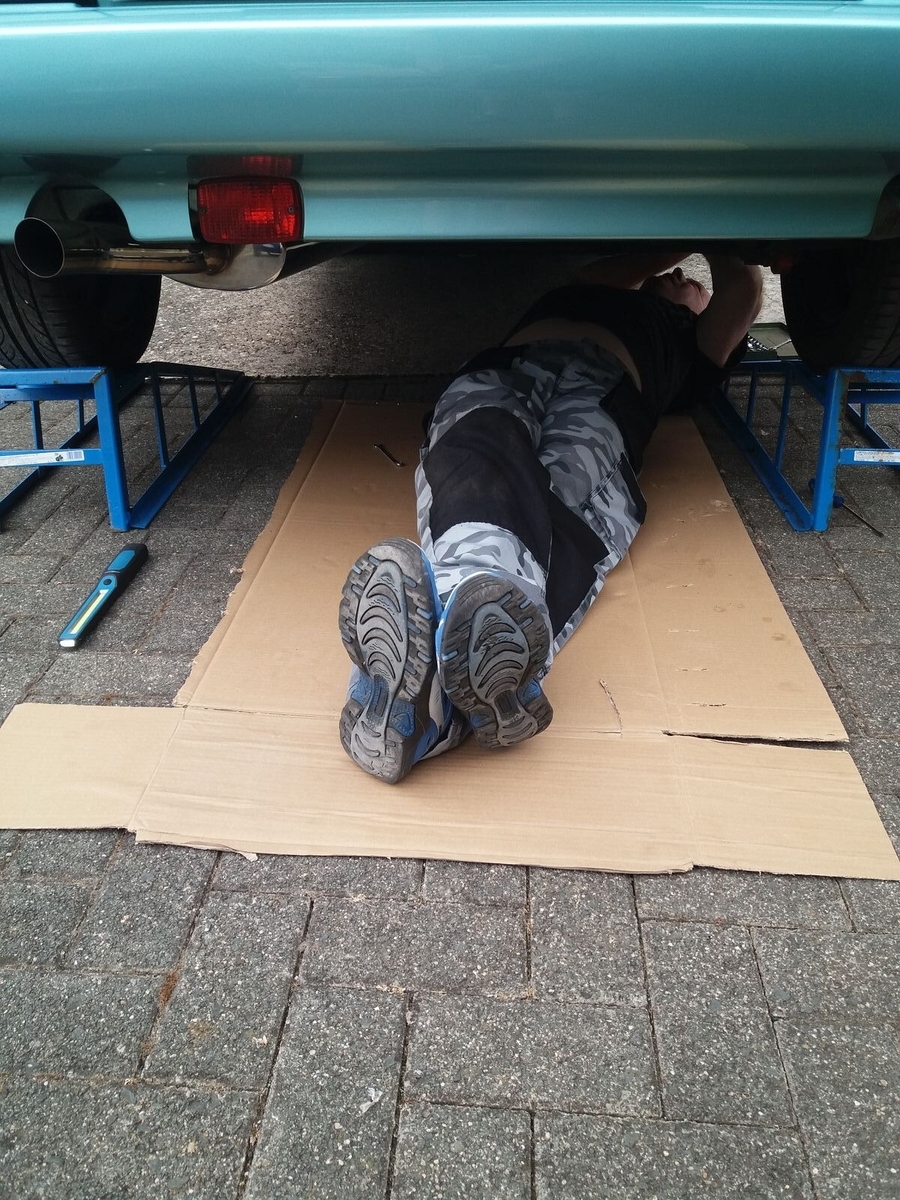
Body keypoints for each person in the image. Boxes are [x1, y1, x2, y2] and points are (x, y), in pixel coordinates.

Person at [338, 252, 763, 783]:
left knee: (560, 501)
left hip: (603, 391)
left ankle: (423, 702)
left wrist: (711, 237)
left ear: (702, 307)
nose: (681, 276)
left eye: (694, 284)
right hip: (502, 368)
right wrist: (695, 223)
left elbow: (744, 287)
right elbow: (626, 264)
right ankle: (445, 687)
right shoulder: (601, 285)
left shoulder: (690, 342)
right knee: (470, 452)